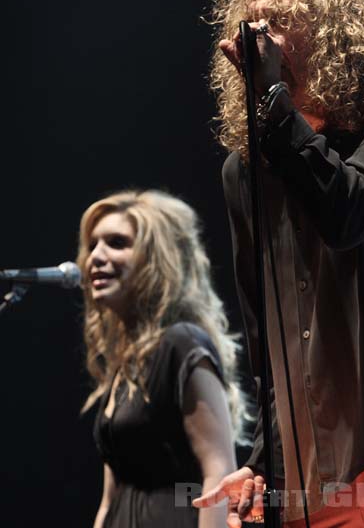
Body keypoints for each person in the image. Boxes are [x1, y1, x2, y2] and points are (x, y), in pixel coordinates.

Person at [193, 0, 364, 527]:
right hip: (301, 485)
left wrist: (276, 101)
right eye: (254, 21)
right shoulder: (245, 172)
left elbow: (350, 214)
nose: (261, 34)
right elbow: (265, 335)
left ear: (332, 33)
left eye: (281, 21)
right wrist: (262, 463)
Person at [76, 189, 244, 528]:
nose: (95, 255)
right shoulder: (124, 366)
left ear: (157, 258)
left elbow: (219, 471)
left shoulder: (181, 345)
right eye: (92, 244)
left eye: (117, 243)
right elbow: (110, 497)